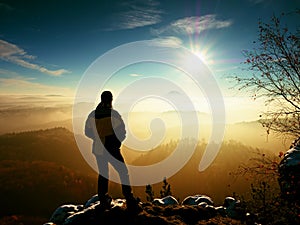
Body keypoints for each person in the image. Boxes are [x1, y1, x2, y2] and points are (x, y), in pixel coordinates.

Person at [85, 91, 139, 211]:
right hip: (112, 149)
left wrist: (97, 137)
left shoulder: (92, 115)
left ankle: (103, 199)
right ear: (110, 100)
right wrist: (116, 141)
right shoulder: (113, 115)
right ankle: (129, 199)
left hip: (98, 149)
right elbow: (122, 131)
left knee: (103, 173)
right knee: (123, 172)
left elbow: (87, 132)